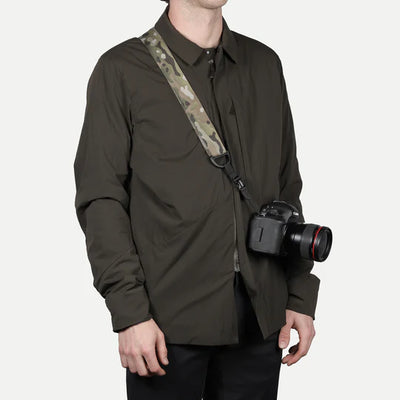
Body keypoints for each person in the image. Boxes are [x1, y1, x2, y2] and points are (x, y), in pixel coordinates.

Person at [73, 0, 320, 398]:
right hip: (164, 327)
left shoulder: (264, 65)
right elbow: (101, 200)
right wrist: (129, 313)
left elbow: (286, 188)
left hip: (261, 321)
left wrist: (298, 293)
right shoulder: (121, 70)